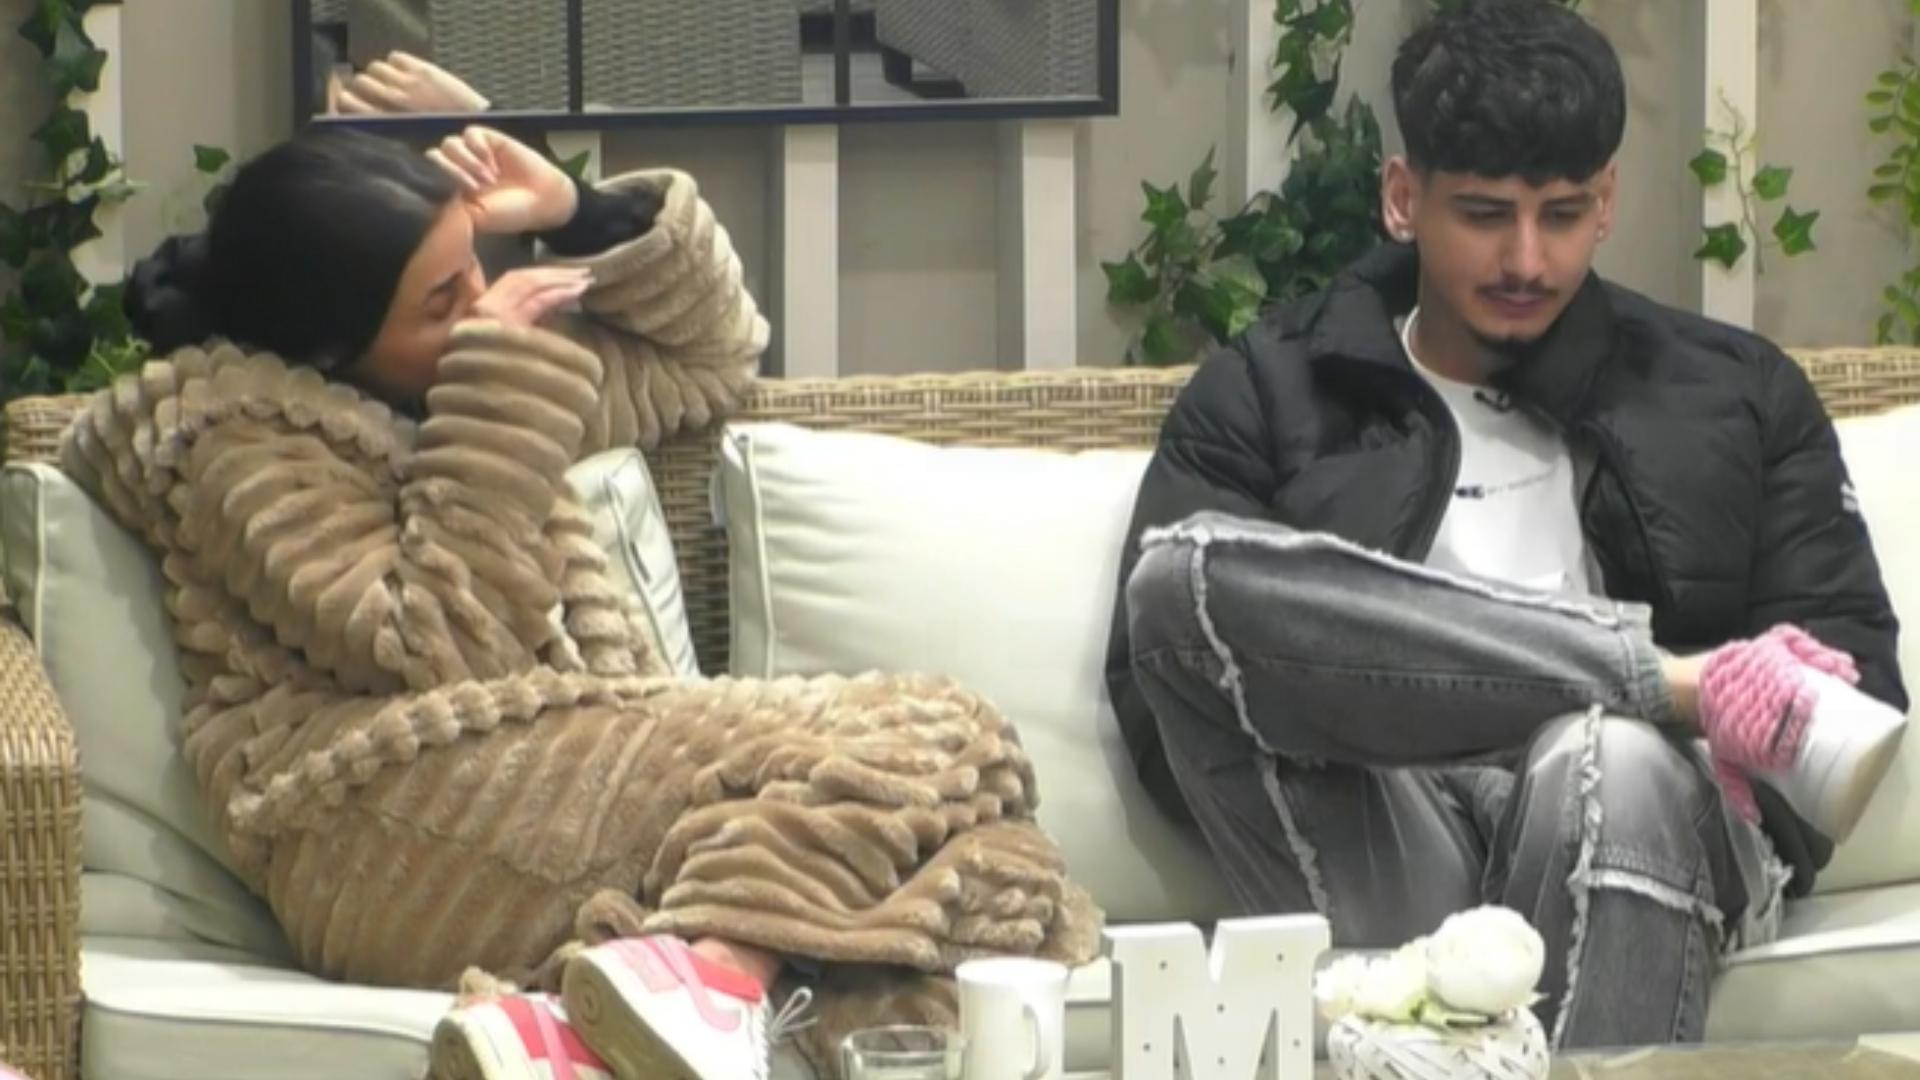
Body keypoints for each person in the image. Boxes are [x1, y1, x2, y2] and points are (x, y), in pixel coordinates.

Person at [70, 125, 1099, 1080]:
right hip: (381, 824)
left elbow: (707, 355)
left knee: (1002, 874)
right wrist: (496, 379)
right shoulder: (239, 444)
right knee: (939, 732)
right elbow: (438, 645)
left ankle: (608, 1019)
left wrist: (578, 211)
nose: (483, 302)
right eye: (441, 299)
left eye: (476, 265)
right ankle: (712, 976)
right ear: (330, 348)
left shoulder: (448, 375)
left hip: (549, 788)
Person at [1107, 0, 1906, 1050]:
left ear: (1607, 200)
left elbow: (1845, 694)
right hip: (1392, 826)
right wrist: (1678, 687)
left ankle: (1638, 709)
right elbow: (1166, 684)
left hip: (1648, 830)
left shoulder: (1738, 393)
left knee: (1610, 758)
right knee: (1179, 580)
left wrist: (1667, 741)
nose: (1526, 260)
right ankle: (1656, 678)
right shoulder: (1265, 391)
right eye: (1485, 215)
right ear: (1404, 197)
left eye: (1562, 214)